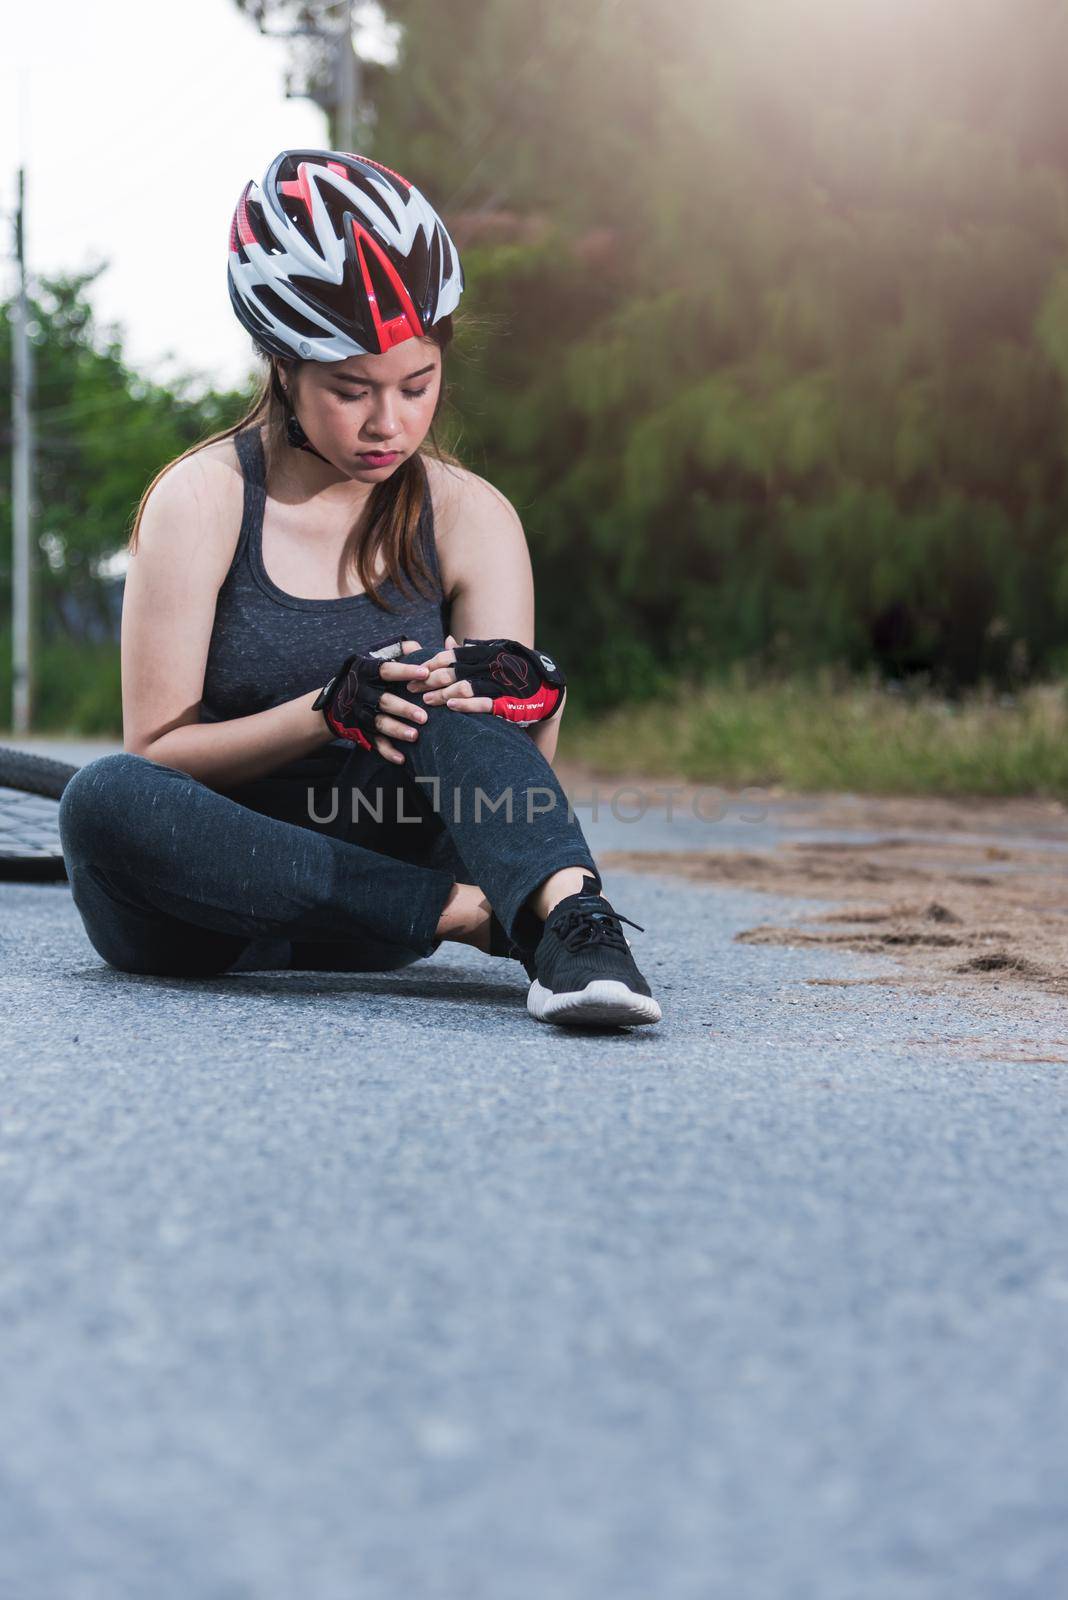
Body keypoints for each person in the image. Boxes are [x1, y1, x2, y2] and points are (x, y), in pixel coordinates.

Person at [58, 147, 662, 1029]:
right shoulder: (200, 500)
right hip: (203, 911)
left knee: (461, 691)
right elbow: (157, 753)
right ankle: (485, 922)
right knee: (102, 798)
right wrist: (324, 712)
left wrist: (531, 696)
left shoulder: (471, 516)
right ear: (281, 366)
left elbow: (508, 781)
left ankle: (574, 928)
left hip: (384, 866)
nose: (390, 423)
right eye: (351, 391)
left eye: (417, 385)